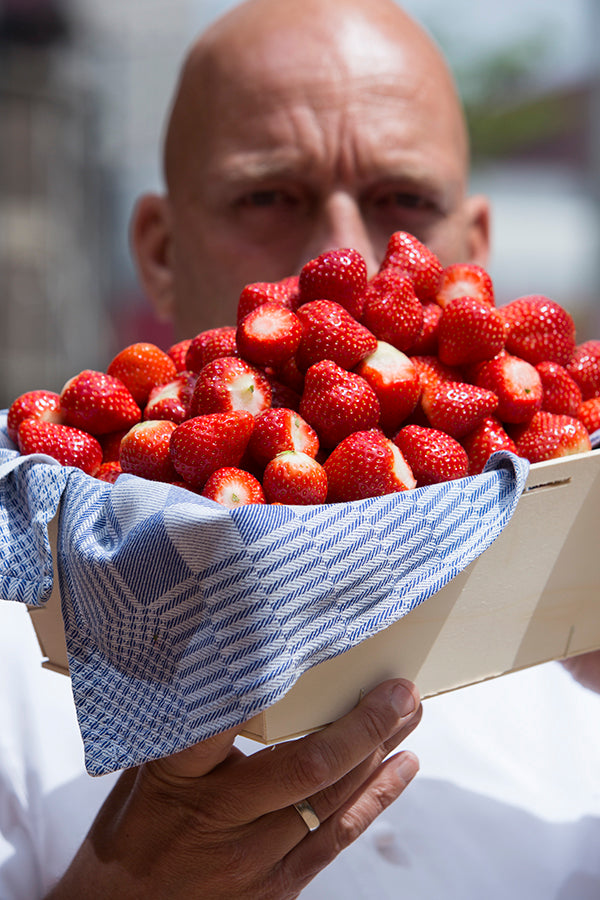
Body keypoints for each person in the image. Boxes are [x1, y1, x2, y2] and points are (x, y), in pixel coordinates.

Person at [0, 0, 599, 897]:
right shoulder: (33, 599)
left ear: (474, 252)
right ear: (158, 252)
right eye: (268, 197)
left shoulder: (572, 568)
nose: (346, 254)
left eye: (404, 202)